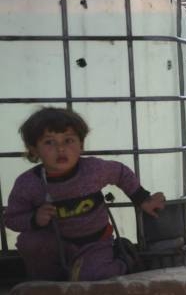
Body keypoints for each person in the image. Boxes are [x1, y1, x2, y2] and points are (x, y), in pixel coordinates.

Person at [4, 107, 165, 281]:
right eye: (49, 142)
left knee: (94, 277)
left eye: (68, 140)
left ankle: (127, 260)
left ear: (81, 144)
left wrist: (143, 199)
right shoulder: (28, 183)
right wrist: (34, 219)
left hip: (94, 243)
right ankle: (53, 281)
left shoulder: (93, 170)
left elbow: (121, 173)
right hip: (56, 244)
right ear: (34, 149)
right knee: (29, 243)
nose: (61, 149)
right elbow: (11, 218)